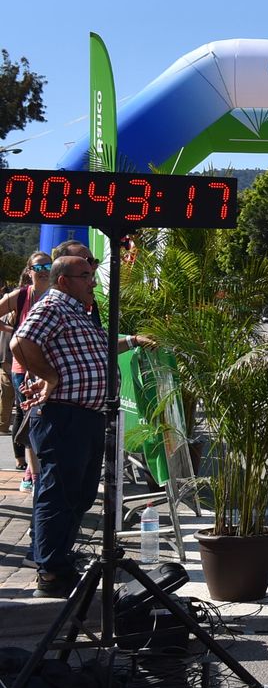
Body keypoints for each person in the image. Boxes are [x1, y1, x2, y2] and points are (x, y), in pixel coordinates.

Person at [12, 256, 153, 597]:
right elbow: (20, 342)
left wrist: (133, 340)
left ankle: (60, 559)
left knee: (80, 493)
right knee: (59, 494)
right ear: (63, 281)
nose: (92, 282)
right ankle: (50, 572)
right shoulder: (55, 306)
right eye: (85, 276)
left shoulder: (79, 310)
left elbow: (101, 347)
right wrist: (49, 376)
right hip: (64, 415)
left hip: (87, 416)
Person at [1, 256, 51, 483]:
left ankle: (44, 469)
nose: (43, 271)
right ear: (29, 271)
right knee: (32, 416)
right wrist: (13, 329)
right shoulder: (22, 295)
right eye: (38, 267)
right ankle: (33, 473)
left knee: (48, 417)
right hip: (23, 365)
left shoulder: (59, 292)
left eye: (48, 266)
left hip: (51, 365)